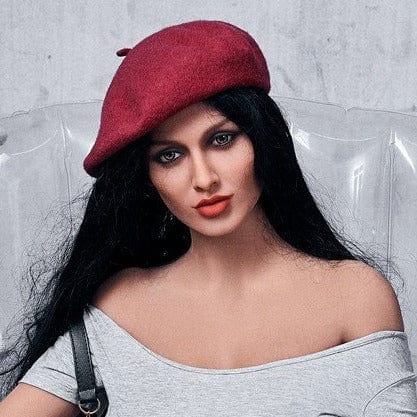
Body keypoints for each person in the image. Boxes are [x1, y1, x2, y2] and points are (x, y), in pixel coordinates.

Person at [0, 19, 416, 417]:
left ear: (264, 139)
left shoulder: (354, 298)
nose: (203, 179)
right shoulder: (117, 305)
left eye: (222, 139)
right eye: (169, 155)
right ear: (147, 177)